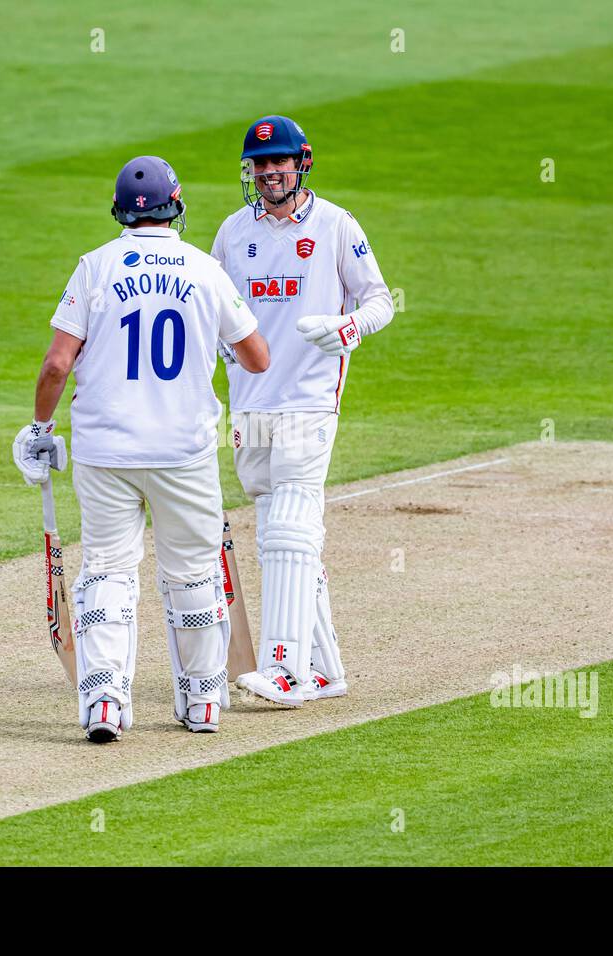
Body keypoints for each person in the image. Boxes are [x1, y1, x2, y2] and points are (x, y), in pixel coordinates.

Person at [14, 156, 270, 742]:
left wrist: (39, 428)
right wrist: (218, 346)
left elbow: (58, 363)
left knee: (105, 569)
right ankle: (203, 700)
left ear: (120, 211)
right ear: (176, 204)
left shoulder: (95, 266)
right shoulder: (205, 270)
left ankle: (104, 701)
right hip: (184, 450)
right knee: (194, 574)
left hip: (106, 450)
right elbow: (257, 357)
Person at [211, 115, 393, 706]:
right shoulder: (234, 233)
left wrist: (346, 328)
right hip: (251, 405)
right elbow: (214, 317)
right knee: (282, 537)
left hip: (310, 400)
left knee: (290, 529)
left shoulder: (337, 225)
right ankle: (327, 669)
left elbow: (379, 302)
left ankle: (285, 669)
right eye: (259, 165)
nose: (268, 174)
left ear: (302, 161)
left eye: (278, 163)